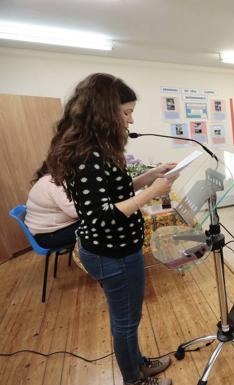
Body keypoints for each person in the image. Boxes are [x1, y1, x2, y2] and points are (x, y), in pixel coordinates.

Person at [45, 73, 176, 385]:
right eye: (126, 113)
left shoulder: (100, 149)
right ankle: (134, 379)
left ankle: (138, 363)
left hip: (119, 249)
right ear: (104, 112)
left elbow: (113, 193)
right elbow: (101, 216)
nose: (131, 121)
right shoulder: (87, 157)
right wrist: (150, 194)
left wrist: (148, 177)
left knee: (129, 317)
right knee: (126, 321)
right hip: (111, 254)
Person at [24, 162, 80, 249]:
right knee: (95, 227)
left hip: (44, 233)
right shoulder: (54, 183)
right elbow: (75, 212)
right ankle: (96, 260)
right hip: (49, 236)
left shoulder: (45, 179)